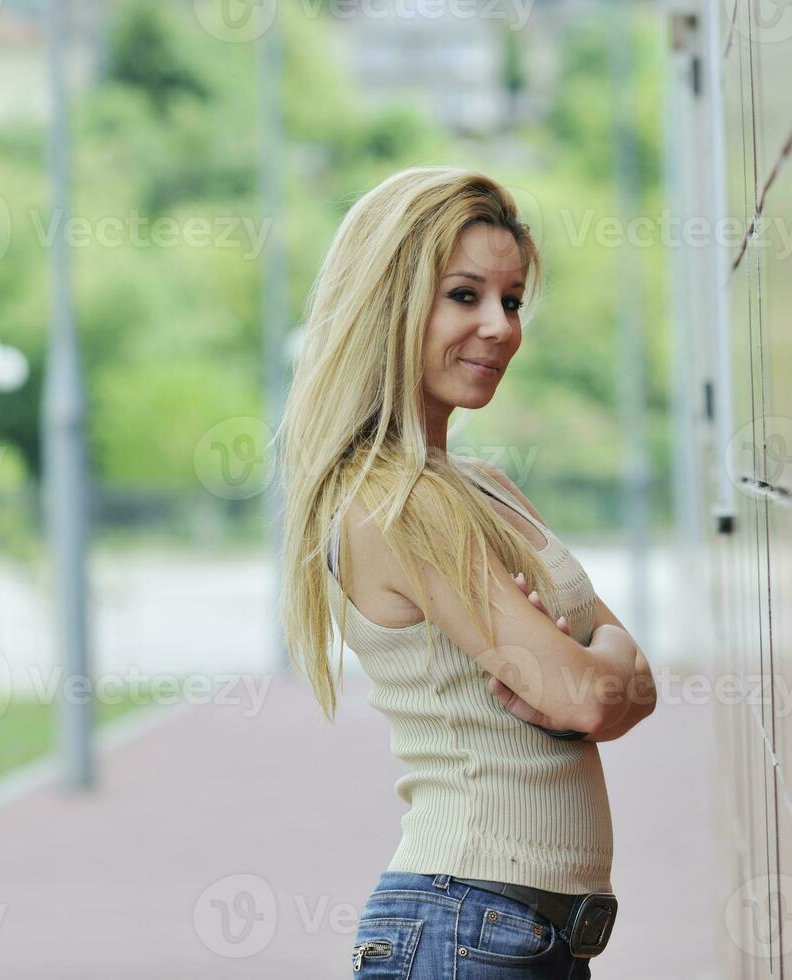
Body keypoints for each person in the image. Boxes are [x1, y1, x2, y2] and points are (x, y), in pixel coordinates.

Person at [277, 166, 657, 977]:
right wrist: (592, 669)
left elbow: (631, 689)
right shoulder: (398, 501)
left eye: (512, 300)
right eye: (465, 295)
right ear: (392, 303)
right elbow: (593, 693)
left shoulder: (483, 487)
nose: (500, 327)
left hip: (512, 930)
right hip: (467, 926)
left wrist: (596, 674)